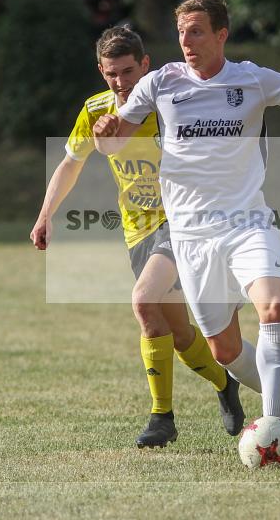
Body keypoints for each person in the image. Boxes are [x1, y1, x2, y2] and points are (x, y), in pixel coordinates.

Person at [93, 0, 280, 460]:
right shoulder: (160, 83)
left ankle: (274, 428)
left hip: (247, 222)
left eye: (196, 31)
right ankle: (272, 414)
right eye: (181, 32)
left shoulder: (254, 79)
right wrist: (106, 135)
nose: (187, 41)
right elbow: (116, 142)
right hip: (190, 237)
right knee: (223, 350)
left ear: (221, 34)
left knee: (274, 306)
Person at [30, 25, 244, 448]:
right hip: (137, 231)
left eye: (129, 72)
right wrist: (45, 215)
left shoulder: (171, 104)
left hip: (184, 222)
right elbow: (71, 164)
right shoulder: (96, 110)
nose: (122, 83)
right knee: (177, 332)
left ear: (146, 65)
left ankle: (161, 418)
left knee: (144, 301)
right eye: (112, 74)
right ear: (100, 71)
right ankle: (225, 384)